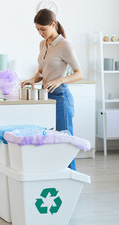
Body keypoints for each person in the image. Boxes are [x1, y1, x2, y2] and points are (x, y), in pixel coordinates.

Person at [21, 8, 83, 170]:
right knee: (49, 140)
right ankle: (57, 177)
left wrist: (61, 79)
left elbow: (79, 73)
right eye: (37, 29)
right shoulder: (43, 43)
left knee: (65, 141)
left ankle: (71, 177)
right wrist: (31, 79)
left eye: (43, 29)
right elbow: (42, 72)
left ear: (53, 24)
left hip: (61, 96)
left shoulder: (65, 45)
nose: (40, 33)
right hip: (45, 96)